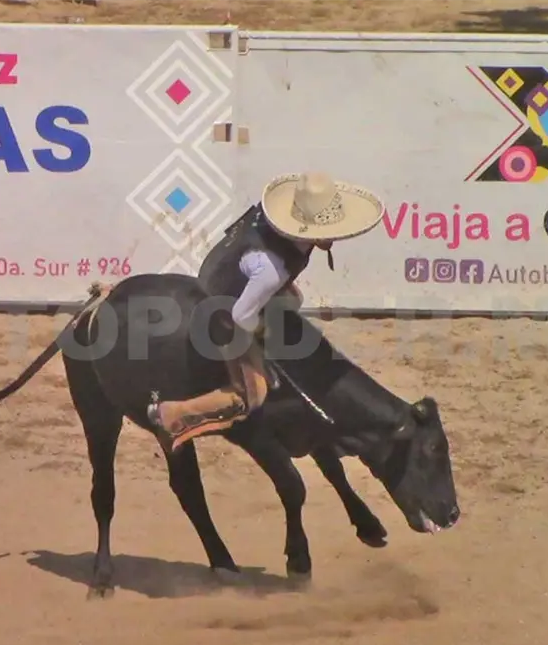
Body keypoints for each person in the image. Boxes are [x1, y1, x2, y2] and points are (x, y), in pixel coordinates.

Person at [146, 171, 385, 451]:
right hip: (221, 306)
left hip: (225, 269)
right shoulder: (273, 270)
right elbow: (240, 316)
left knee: (293, 299)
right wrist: (262, 330)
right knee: (253, 396)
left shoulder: (276, 232)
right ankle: (170, 413)